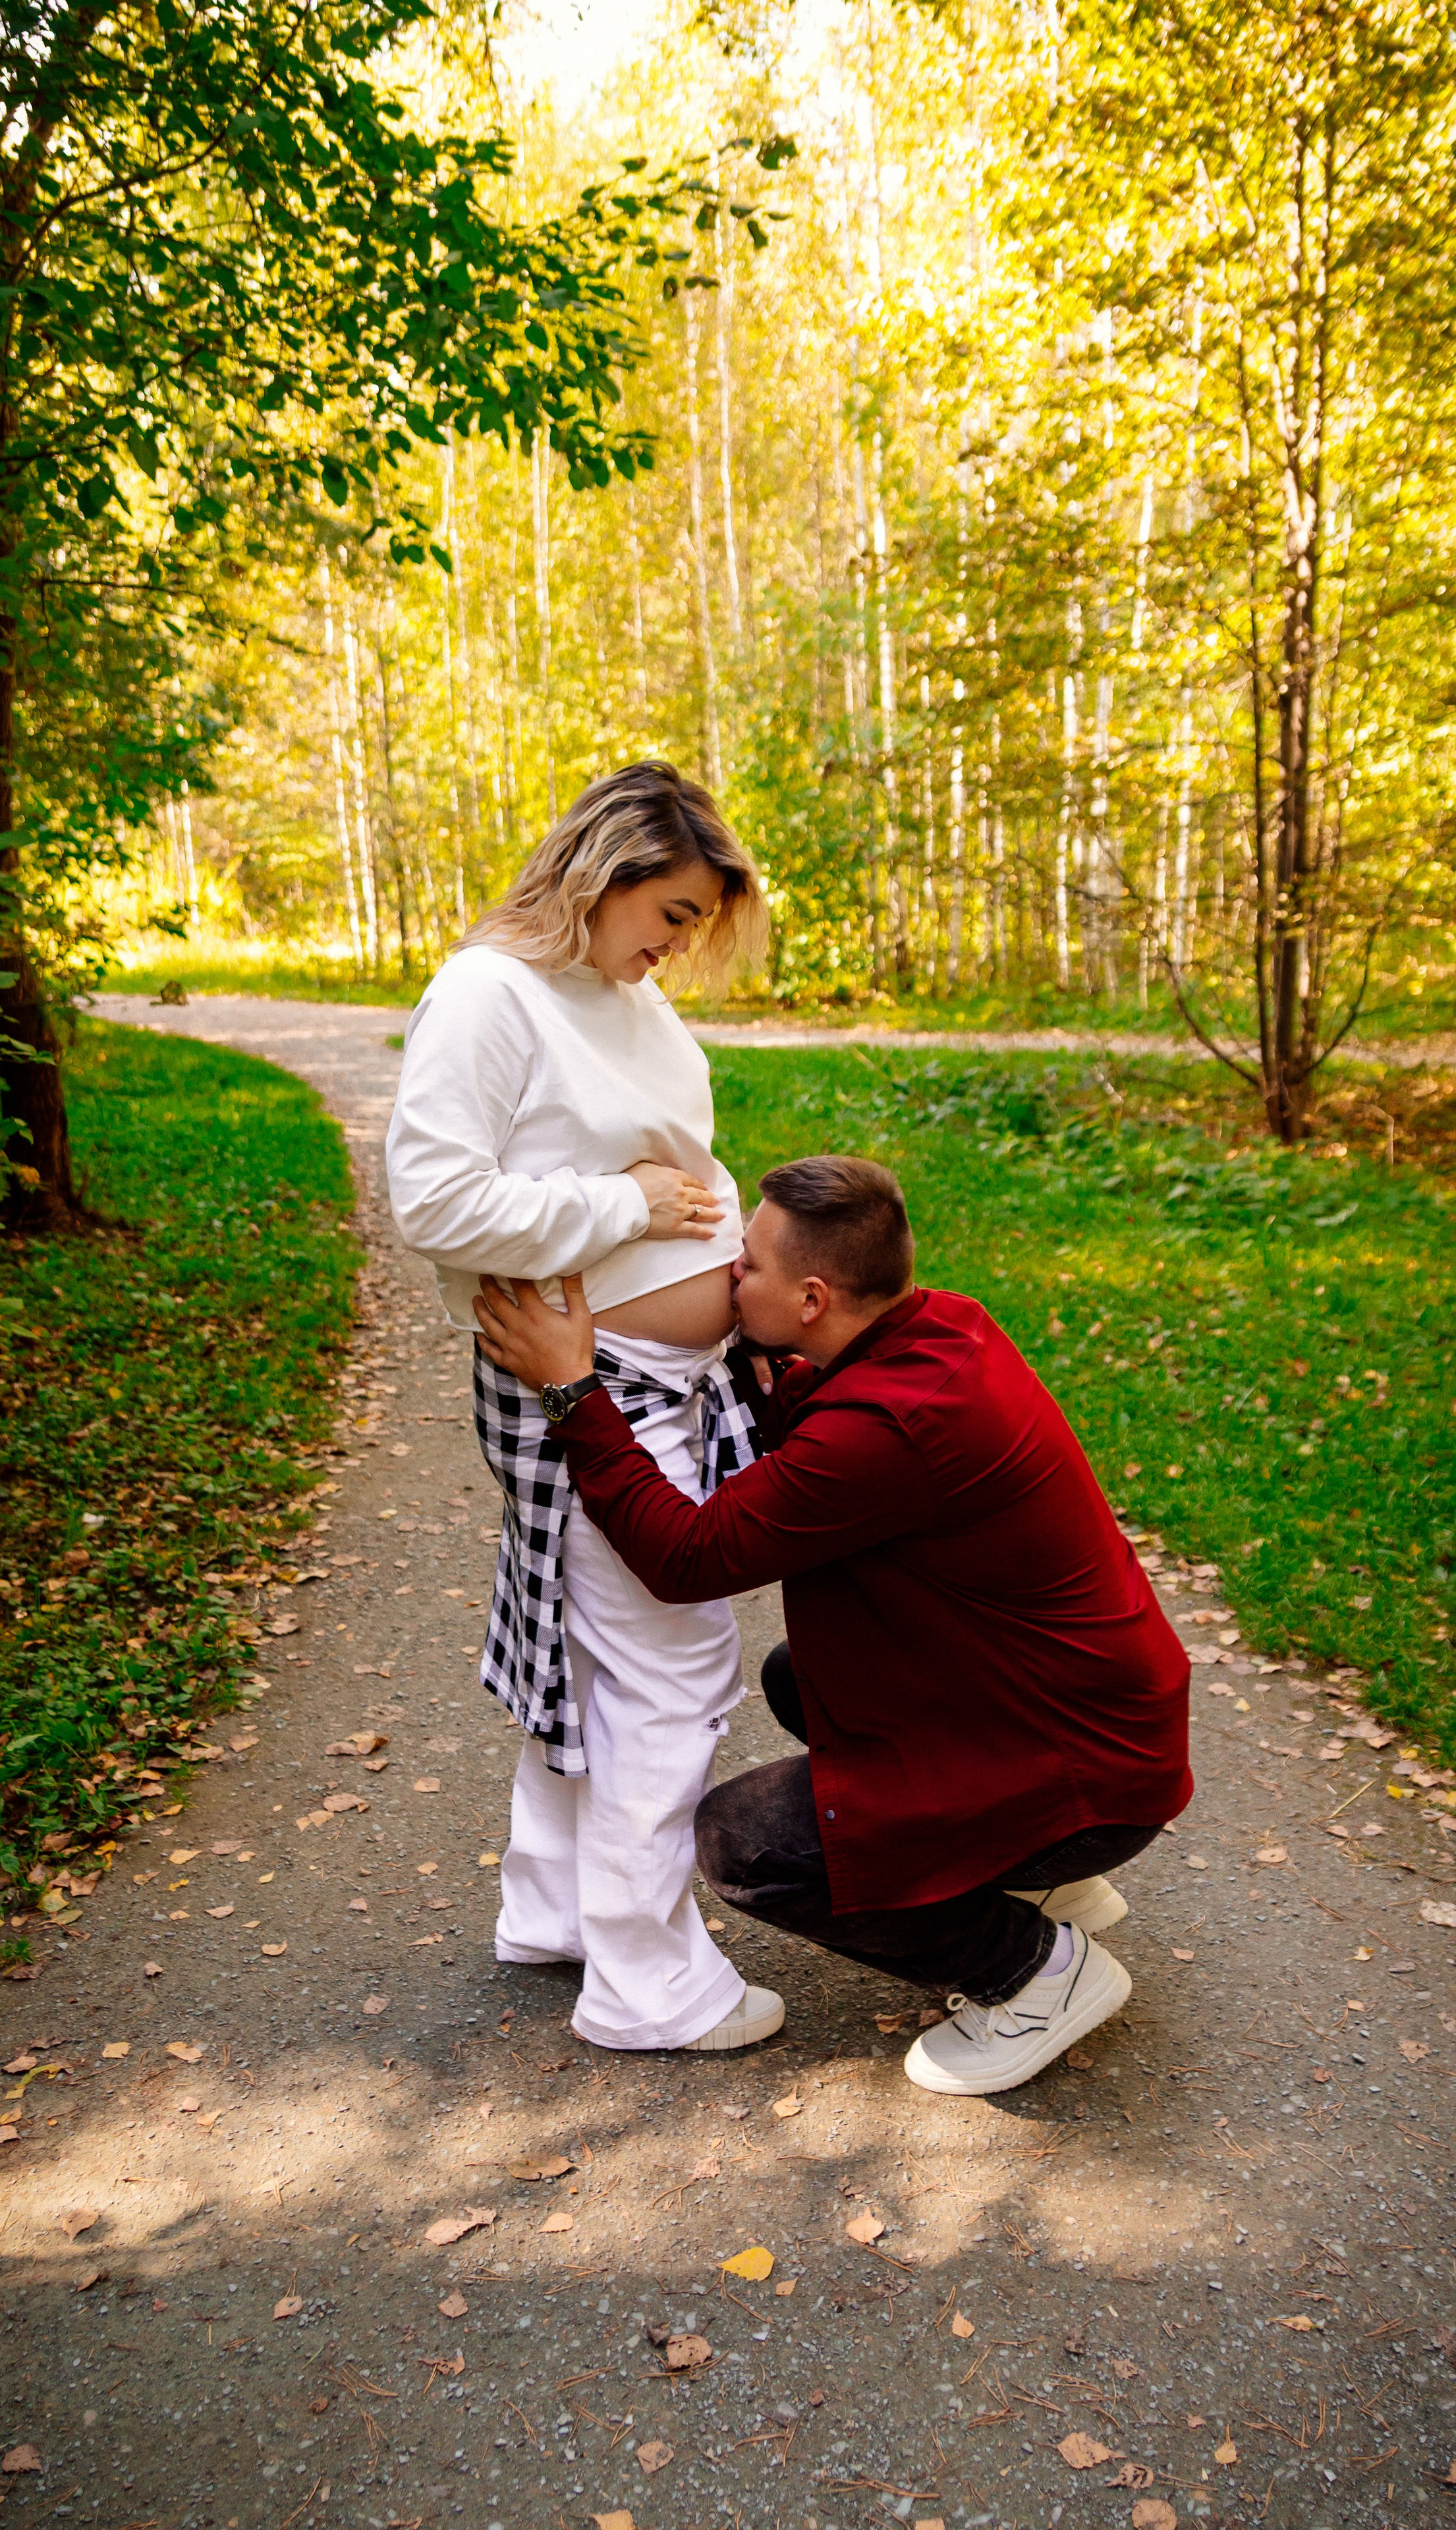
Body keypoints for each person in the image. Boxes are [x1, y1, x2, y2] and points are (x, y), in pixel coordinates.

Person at [470, 1154, 1193, 2096]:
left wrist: (575, 1391)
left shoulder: (885, 1430)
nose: (732, 1271)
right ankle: (1028, 1877)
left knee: (746, 1844)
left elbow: (685, 1559)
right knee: (797, 1679)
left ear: (813, 1298)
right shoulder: (939, 1328)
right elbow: (819, 1441)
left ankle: (1033, 1971)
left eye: (751, 1265)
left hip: (1088, 1769)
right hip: (1089, 1721)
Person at [385, 761, 786, 2054]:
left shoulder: (614, 993)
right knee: (668, 1674)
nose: (674, 946)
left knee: (597, 1658)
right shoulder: (490, 994)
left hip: (658, 1377)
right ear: (602, 875)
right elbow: (435, 1204)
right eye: (668, 914)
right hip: (594, 1381)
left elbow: (669, 1160)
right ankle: (646, 1985)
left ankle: (554, 1913)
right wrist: (626, 1214)